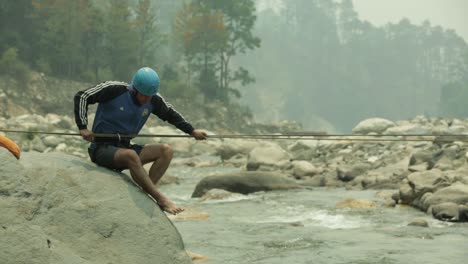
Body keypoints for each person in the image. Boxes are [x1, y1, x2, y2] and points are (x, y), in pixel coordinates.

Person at [74, 67, 207, 215]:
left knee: (166, 150)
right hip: (102, 149)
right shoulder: (114, 89)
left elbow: (170, 114)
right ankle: (161, 199)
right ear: (134, 89)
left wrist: (192, 131)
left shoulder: (153, 99)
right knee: (131, 155)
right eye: (143, 96)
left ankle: (146, 193)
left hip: (125, 147)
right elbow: (82, 96)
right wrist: (83, 127)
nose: (146, 100)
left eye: (149, 96)